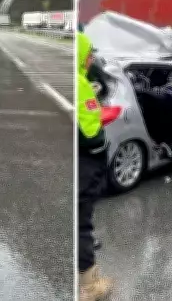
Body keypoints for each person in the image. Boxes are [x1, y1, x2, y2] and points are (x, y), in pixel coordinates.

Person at [76, 31, 112, 301]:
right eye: (89, 56)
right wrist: (101, 118)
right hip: (85, 165)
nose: (91, 61)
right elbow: (93, 138)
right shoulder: (81, 84)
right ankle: (91, 287)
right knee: (82, 226)